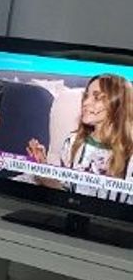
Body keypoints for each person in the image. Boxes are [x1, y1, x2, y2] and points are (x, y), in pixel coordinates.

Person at [26, 73, 133, 201]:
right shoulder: (72, 144)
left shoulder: (130, 156)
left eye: (97, 97)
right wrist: (42, 168)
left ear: (118, 104)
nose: (85, 102)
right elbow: (67, 193)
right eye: (86, 96)